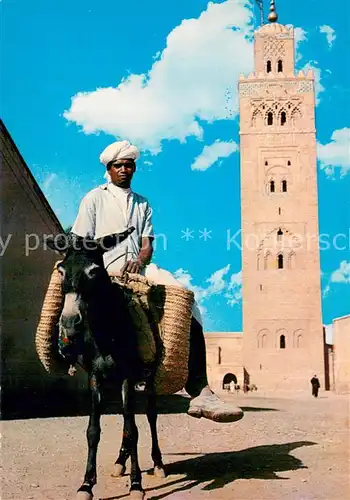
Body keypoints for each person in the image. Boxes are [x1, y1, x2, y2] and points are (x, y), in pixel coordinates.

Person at [71, 140, 244, 424]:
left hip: (138, 269)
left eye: (129, 165)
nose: (124, 169)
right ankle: (64, 352)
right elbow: (80, 241)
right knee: (67, 298)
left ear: (134, 168)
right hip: (103, 266)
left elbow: (147, 245)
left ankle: (200, 389)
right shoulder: (94, 198)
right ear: (108, 169)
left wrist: (140, 261)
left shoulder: (143, 203)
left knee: (184, 297)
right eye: (118, 165)